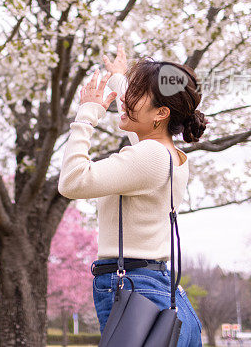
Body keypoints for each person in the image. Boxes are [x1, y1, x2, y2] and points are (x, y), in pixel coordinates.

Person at [58, 42, 206, 347]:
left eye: (136, 95)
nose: (124, 101)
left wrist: (86, 115)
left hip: (134, 289)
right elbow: (142, 129)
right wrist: (119, 79)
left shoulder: (150, 155)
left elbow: (72, 182)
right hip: (158, 288)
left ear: (161, 113)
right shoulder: (168, 154)